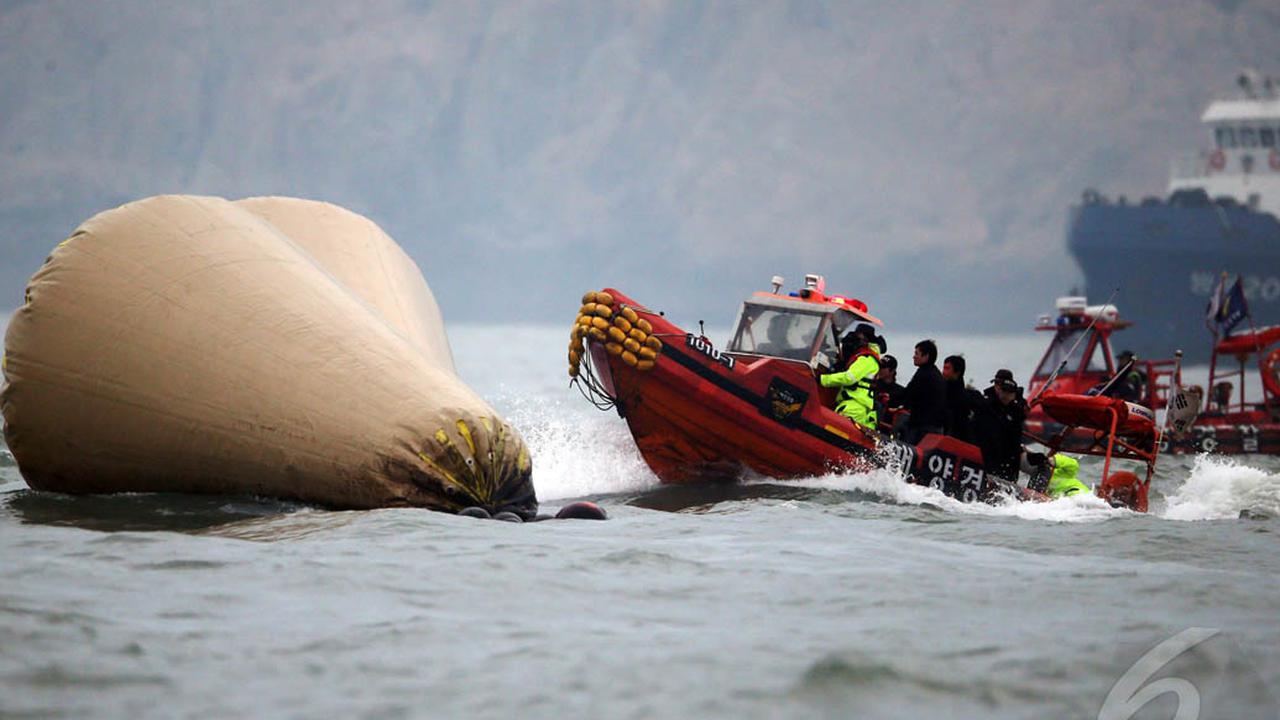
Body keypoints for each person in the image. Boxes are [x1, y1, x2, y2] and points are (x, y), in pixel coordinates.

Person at [819, 323, 881, 430]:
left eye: (859, 336)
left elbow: (849, 378)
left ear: (866, 341)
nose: (854, 339)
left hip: (855, 406)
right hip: (850, 404)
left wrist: (822, 379)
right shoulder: (860, 358)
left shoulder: (867, 359)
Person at [972, 369, 1028, 483]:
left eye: (1000, 384)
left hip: (1009, 459)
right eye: (996, 384)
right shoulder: (985, 403)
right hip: (988, 455)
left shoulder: (1017, 410)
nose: (997, 387)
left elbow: (1015, 434)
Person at [899, 339, 947, 444]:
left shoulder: (924, 374)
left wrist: (895, 401)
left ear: (926, 356)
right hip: (934, 426)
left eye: (917, 353)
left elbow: (909, 393)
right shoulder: (935, 373)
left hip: (922, 427)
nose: (914, 356)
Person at [942, 354, 984, 442]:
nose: (943, 372)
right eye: (944, 368)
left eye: (947, 368)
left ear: (957, 372)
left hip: (959, 438)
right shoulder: (942, 389)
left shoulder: (965, 397)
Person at [1024, 452, 1090, 499]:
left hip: (1079, 494)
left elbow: (1073, 465)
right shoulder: (1036, 481)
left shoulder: (1060, 472)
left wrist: (1055, 460)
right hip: (1064, 501)